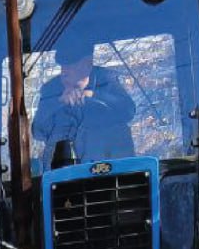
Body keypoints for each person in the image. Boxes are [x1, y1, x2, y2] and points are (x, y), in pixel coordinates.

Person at [31, 31, 136, 167]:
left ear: (87, 64)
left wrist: (91, 95)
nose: (64, 71)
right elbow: (38, 132)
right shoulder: (50, 92)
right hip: (63, 177)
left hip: (111, 171)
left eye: (71, 65)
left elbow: (128, 111)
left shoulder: (107, 82)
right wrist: (59, 102)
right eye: (63, 65)